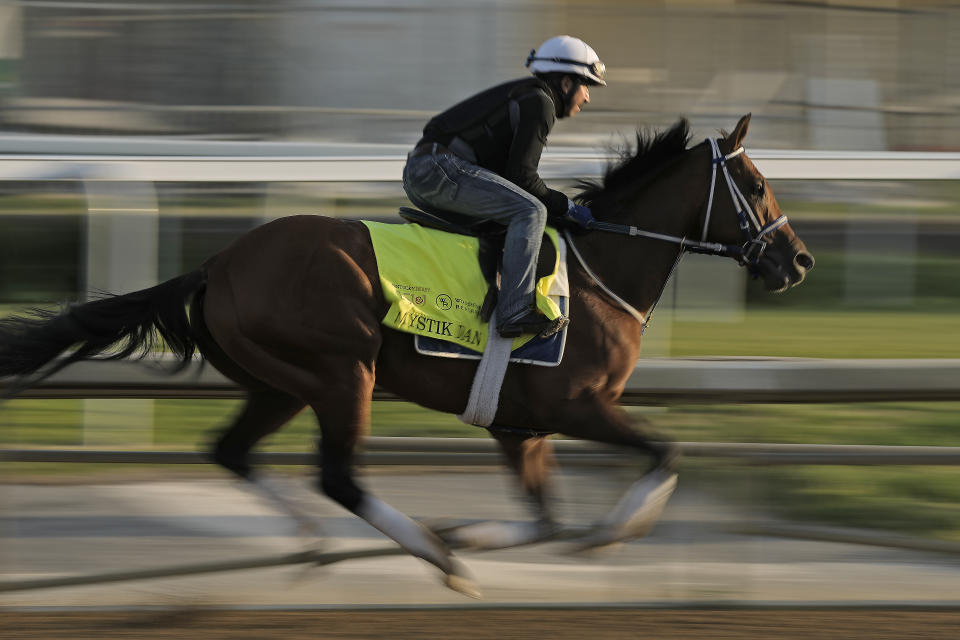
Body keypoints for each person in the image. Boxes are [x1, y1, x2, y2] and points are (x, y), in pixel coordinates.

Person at [402, 35, 604, 338]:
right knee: (531, 212)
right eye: (586, 86)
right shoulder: (540, 103)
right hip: (437, 170)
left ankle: (480, 298)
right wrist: (569, 207)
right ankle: (515, 312)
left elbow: (513, 179)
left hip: (428, 170)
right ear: (566, 84)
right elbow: (523, 178)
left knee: (515, 214)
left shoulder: (529, 97)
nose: (587, 97)